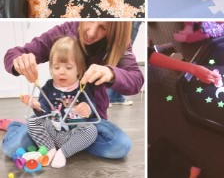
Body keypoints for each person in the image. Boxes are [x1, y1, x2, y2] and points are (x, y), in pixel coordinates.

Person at [2, 21, 142, 159]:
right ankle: (18, 127)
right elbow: (13, 54)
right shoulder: (63, 34)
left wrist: (112, 73)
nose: (91, 33)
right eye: (57, 67)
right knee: (12, 147)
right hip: (52, 124)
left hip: (87, 123)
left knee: (119, 145)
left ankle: (62, 145)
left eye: (103, 28)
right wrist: (19, 61)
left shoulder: (119, 45)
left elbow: (136, 80)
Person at [23, 37, 97, 168]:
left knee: (91, 130)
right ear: (51, 68)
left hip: (73, 134)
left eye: (68, 67)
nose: (62, 72)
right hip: (53, 131)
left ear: (79, 69)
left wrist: (87, 108)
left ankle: (63, 152)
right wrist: (36, 106)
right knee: (32, 121)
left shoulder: (82, 87)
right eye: (56, 67)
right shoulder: (48, 87)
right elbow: (44, 111)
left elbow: (91, 108)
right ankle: (50, 149)